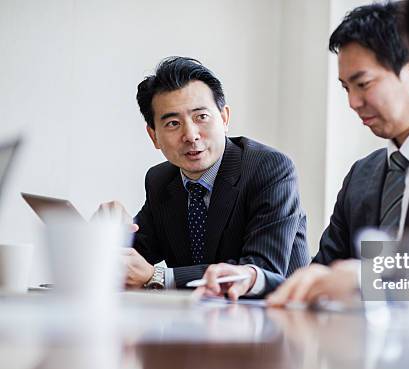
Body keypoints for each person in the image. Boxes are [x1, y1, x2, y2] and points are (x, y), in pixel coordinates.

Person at [268, 2, 409, 306]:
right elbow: (327, 268)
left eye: (363, 84)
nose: (353, 102)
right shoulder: (361, 175)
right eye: (346, 88)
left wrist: (366, 277)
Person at [97, 57, 309, 299]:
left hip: (276, 321)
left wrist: (157, 277)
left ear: (224, 118)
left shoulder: (269, 168)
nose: (191, 135)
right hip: (196, 323)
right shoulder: (160, 180)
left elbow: (262, 270)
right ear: (154, 136)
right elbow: (133, 260)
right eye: (173, 123)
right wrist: (109, 235)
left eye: (201, 117)